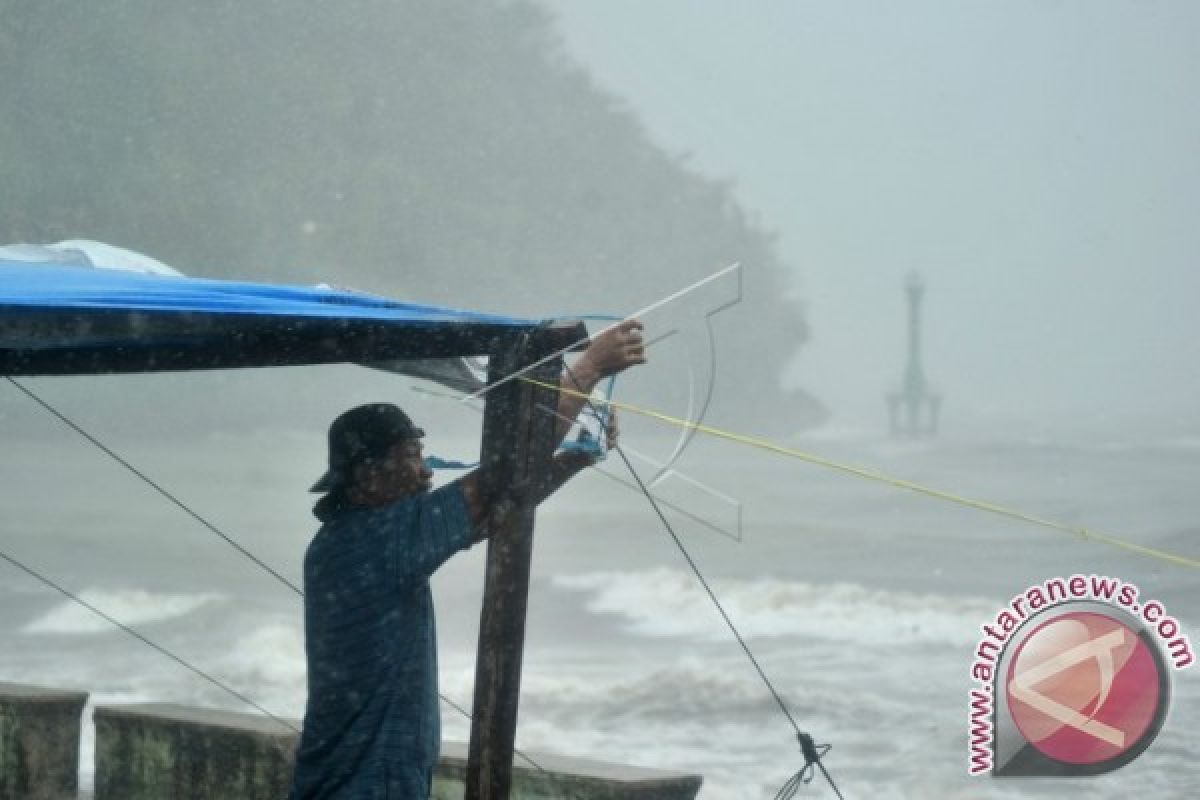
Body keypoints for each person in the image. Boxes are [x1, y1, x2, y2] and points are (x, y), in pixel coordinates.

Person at [288, 319, 645, 800]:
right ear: (367, 476)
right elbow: (497, 483)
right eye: (413, 456)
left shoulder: (360, 539)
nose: (426, 472)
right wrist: (589, 368)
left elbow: (495, 504)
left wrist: (576, 458)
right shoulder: (371, 542)